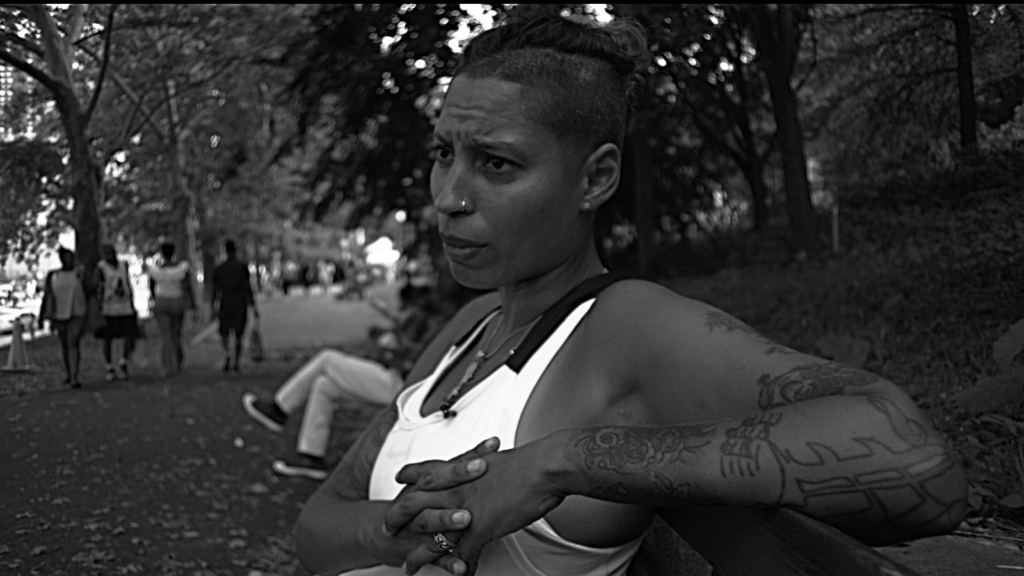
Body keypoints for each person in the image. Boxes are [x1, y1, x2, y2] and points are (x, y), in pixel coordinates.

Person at [294, 9, 967, 576]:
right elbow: (318, 524)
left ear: (595, 179)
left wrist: (560, 462)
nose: (449, 198)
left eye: (496, 163)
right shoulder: (472, 324)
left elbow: (917, 459)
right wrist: (404, 529)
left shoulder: (625, 326)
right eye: (445, 154)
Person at [242, 285, 444, 481]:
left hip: (402, 384)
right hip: (400, 380)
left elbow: (416, 358)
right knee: (324, 385)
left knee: (327, 359)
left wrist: (391, 347)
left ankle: (279, 409)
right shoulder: (429, 320)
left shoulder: (432, 323)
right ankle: (311, 455)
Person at [38, 247, 88, 388]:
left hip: (77, 312)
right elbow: (47, 296)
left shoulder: (79, 273)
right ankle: (69, 372)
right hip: (59, 313)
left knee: (73, 343)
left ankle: (74, 376)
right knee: (65, 345)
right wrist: (43, 315)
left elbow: (89, 290)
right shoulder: (53, 275)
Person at [147, 242, 196, 376]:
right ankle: (178, 362)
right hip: (177, 302)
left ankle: (167, 365)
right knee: (176, 333)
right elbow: (187, 288)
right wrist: (192, 304)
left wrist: (152, 301)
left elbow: (151, 288)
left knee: (165, 335)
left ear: (162, 253)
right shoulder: (182, 269)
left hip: (161, 302)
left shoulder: (155, 271)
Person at [212, 239, 260, 372]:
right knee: (239, 334)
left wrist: (213, 307)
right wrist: (253, 306)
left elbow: (216, 291)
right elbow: (247, 288)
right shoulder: (242, 268)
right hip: (240, 305)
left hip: (225, 304)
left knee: (224, 333)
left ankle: (227, 353)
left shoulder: (219, 269)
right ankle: (237, 360)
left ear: (225, 251)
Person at [93, 243, 139, 381]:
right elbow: (96, 287)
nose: (110, 255)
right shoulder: (101, 268)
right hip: (109, 308)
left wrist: (132, 303)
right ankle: (109, 366)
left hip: (125, 307)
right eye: (106, 253)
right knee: (108, 339)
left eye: (111, 252)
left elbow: (128, 283)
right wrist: (99, 306)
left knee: (129, 336)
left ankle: (123, 361)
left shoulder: (123, 265)